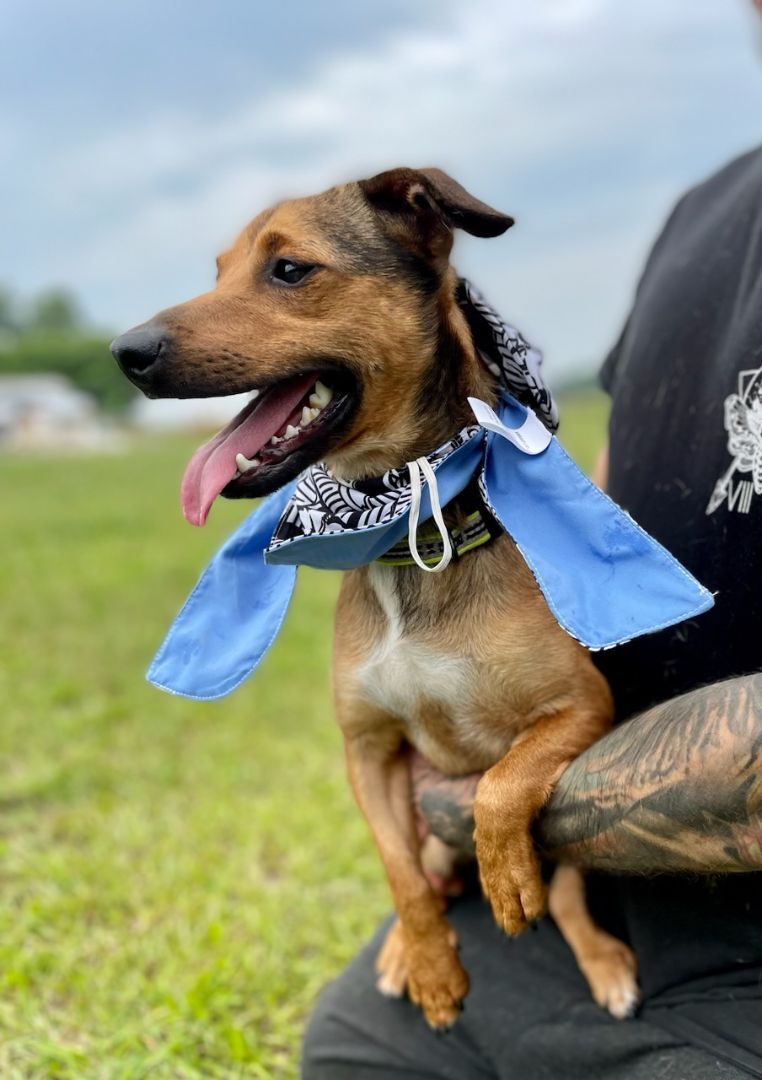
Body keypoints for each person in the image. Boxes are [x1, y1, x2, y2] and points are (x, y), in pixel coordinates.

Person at [302, 78, 762, 1080]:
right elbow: (607, 488)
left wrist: (485, 807)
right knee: (363, 1045)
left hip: (740, 949)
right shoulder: (703, 211)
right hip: (609, 893)